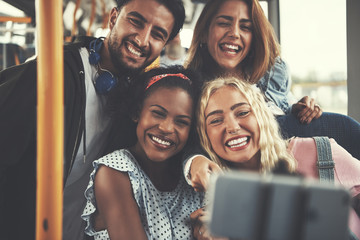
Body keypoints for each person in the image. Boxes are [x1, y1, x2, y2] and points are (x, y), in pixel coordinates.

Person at [0, 0, 186, 239]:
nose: (142, 39)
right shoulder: (53, 74)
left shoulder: (135, 105)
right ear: (113, 18)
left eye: (157, 34)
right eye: (136, 21)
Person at [184, 0, 360, 160]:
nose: (234, 33)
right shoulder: (187, 89)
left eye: (245, 27)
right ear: (204, 33)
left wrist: (298, 109)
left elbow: (283, 105)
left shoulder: (273, 73)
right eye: (223, 23)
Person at [190, 77, 360, 240]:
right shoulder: (216, 207)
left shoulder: (321, 153)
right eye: (216, 120)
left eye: (242, 112)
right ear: (205, 135)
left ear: (262, 116)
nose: (232, 127)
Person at [81, 66, 204, 239]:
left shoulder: (191, 178)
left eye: (181, 122)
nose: (166, 128)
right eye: (158, 113)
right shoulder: (114, 171)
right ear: (136, 113)